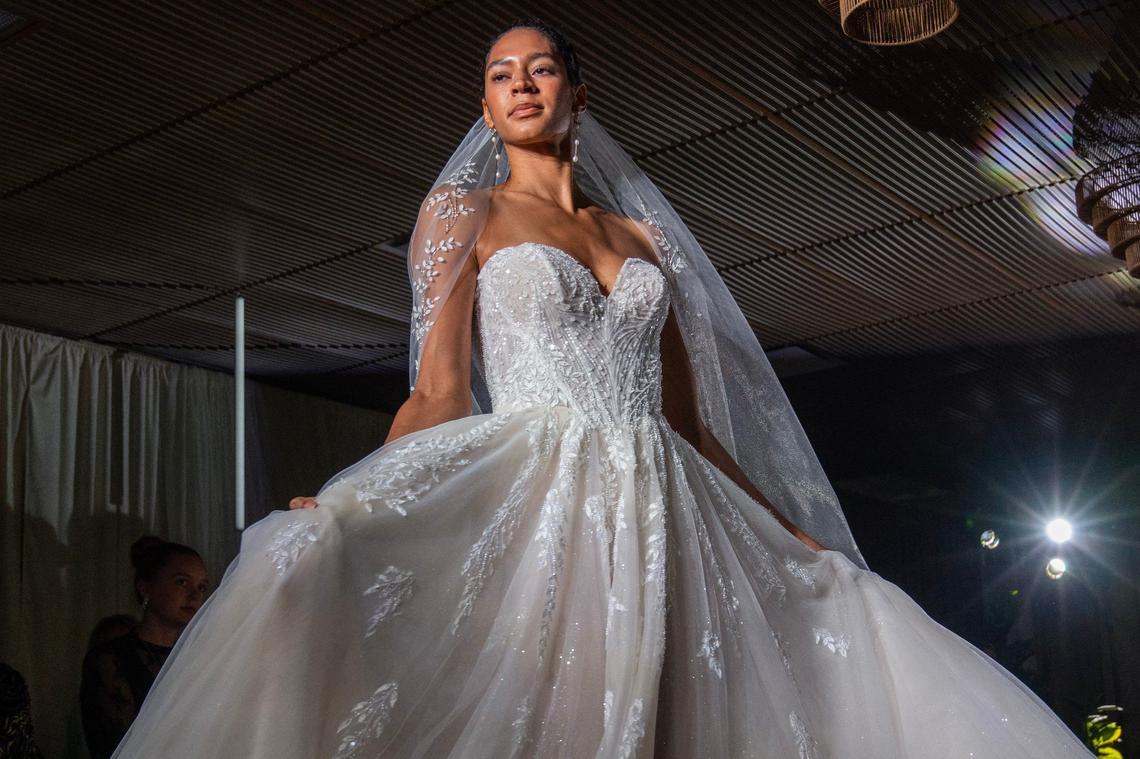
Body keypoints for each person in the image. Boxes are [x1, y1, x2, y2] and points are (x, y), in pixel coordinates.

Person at [110, 19, 1094, 758]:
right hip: (543, 493)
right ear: (486, 104)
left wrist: (796, 542)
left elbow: (687, 424)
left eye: (539, 67)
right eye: (500, 74)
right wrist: (353, 498)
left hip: (669, 497)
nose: (519, 84)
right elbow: (440, 390)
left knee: (690, 711)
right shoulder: (463, 213)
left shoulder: (644, 240)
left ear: (580, 91)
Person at [80, 537, 208, 759]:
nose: (195, 596)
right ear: (146, 587)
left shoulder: (200, 658)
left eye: (202, 587)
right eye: (182, 582)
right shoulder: (111, 660)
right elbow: (118, 743)